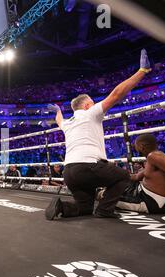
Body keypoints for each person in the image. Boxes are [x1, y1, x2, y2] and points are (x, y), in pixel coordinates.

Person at [45, 49, 152, 220]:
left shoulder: (67, 123)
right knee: (123, 176)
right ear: (87, 105)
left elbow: (59, 120)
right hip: (88, 166)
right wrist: (142, 72)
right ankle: (105, 210)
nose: (95, 105)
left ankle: (62, 206)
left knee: (84, 207)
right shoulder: (90, 113)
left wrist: (58, 110)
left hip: (69, 172)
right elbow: (116, 94)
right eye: (92, 103)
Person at [116, 134, 165, 214]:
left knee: (105, 196)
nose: (135, 149)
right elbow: (136, 177)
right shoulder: (153, 159)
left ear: (141, 146)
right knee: (119, 186)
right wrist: (117, 175)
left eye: (136, 146)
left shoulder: (154, 156)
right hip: (146, 197)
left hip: (150, 202)